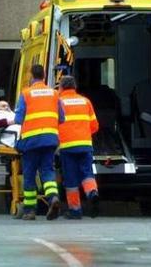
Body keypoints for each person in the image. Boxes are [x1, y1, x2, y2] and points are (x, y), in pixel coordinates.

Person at [14, 64, 65, 221]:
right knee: (47, 172)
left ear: (31, 76)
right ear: (44, 76)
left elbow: (18, 119)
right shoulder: (54, 93)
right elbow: (61, 118)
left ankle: (30, 211)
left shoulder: (26, 93)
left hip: (31, 141)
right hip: (50, 139)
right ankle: (53, 198)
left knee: (29, 175)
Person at [57, 75, 101, 219]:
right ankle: (92, 192)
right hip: (85, 145)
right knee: (87, 173)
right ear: (75, 87)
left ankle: (75, 210)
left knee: (71, 179)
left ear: (61, 87)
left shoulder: (59, 102)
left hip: (67, 146)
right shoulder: (85, 101)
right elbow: (95, 126)